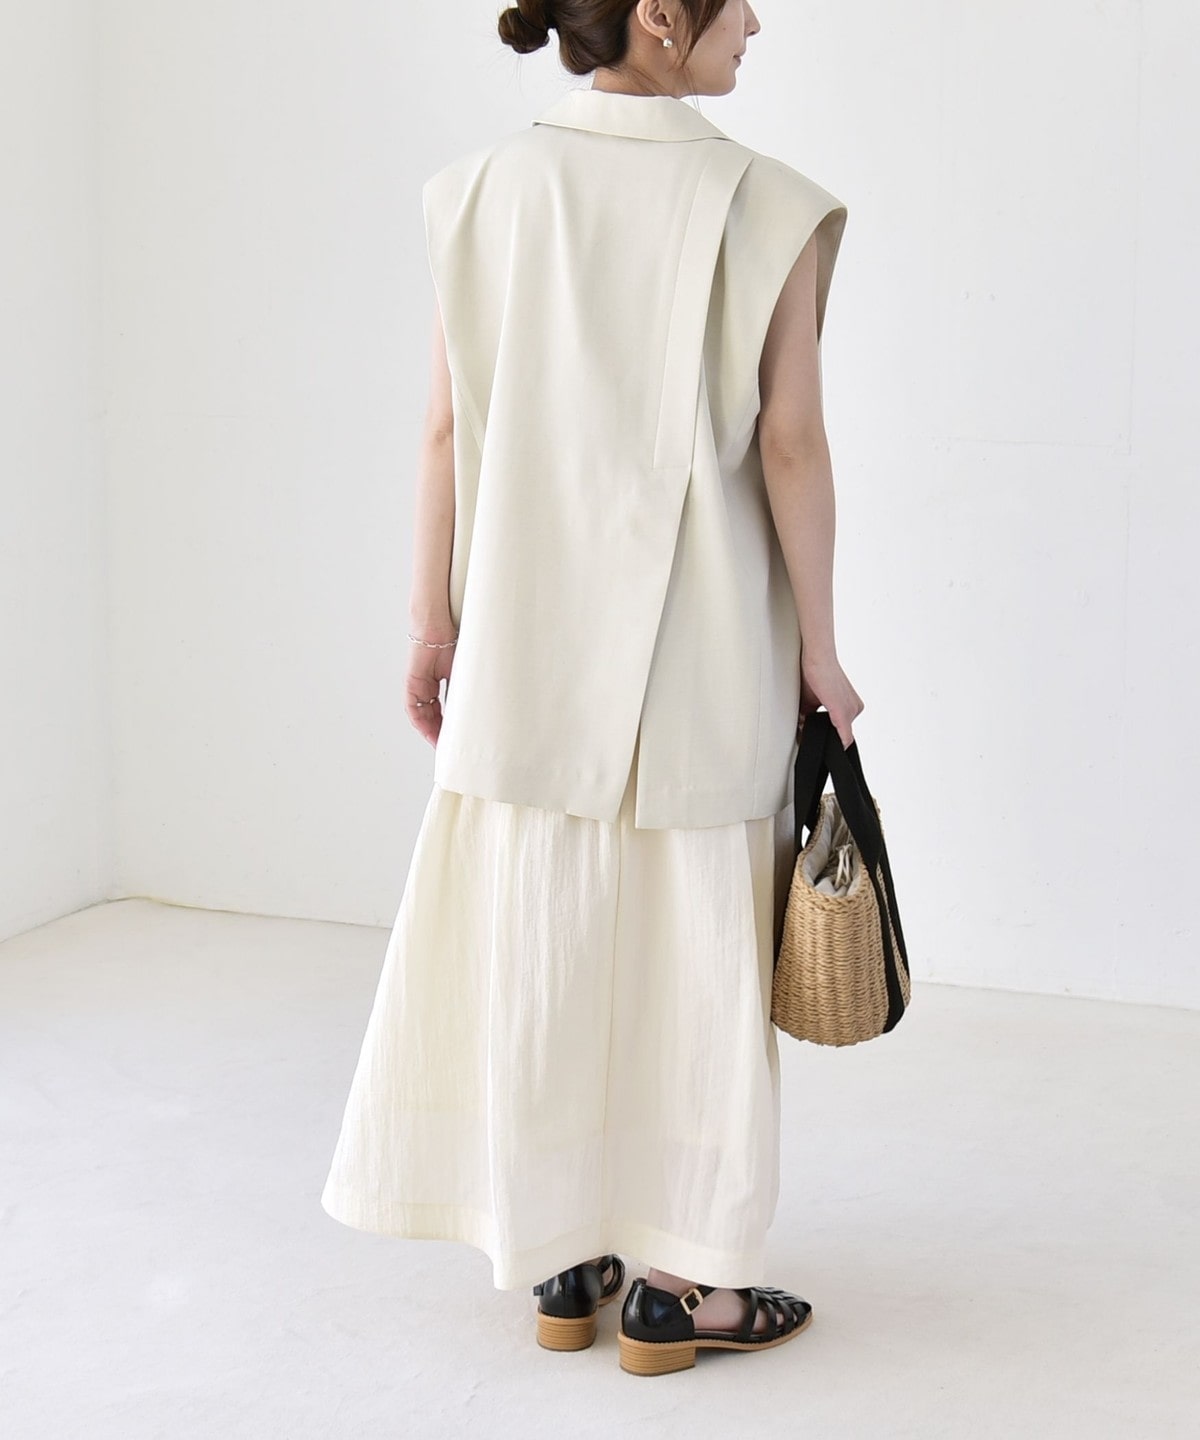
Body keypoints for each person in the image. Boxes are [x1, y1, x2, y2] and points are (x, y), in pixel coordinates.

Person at [320, 0, 865, 1378]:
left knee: (543, 929)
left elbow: (447, 426)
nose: (758, 20)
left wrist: (431, 622)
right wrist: (821, 647)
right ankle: (682, 1291)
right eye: (738, 0)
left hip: (524, 637)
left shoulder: (479, 191)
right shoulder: (768, 204)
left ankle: (562, 1257)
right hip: (703, 650)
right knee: (694, 948)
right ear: (663, 19)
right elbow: (792, 445)